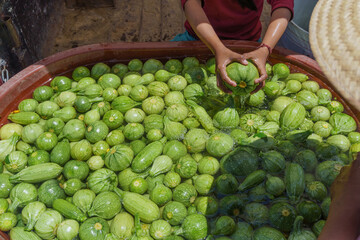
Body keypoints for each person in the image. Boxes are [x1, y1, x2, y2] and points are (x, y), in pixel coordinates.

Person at [173, 0, 294, 93]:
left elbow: (283, 5)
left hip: (250, 45)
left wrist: (265, 48)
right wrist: (218, 48)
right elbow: (191, 3)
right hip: (199, 38)